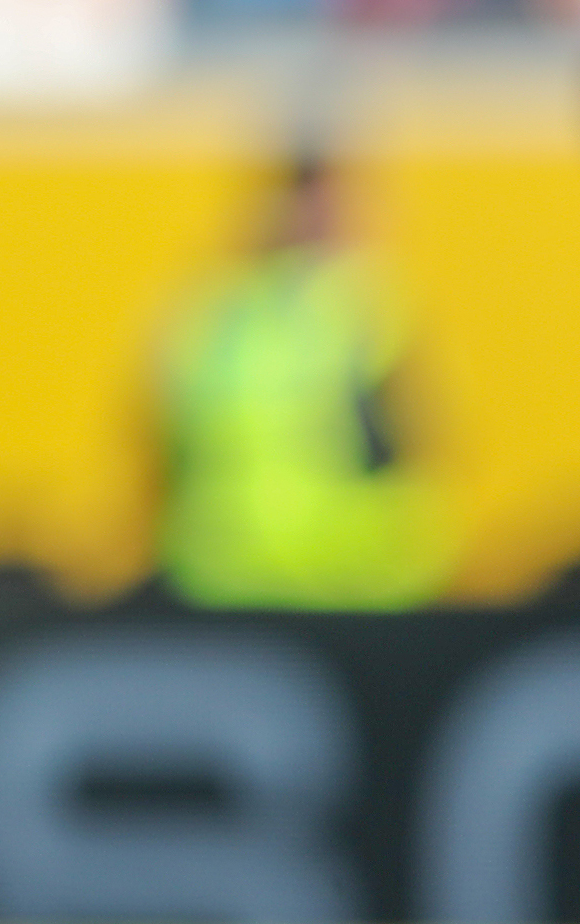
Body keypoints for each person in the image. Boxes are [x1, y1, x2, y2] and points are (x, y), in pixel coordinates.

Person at [157, 146, 446, 612]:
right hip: (338, 583)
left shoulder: (216, 313)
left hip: (268, 581)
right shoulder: (365, 307)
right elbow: (425, 442)